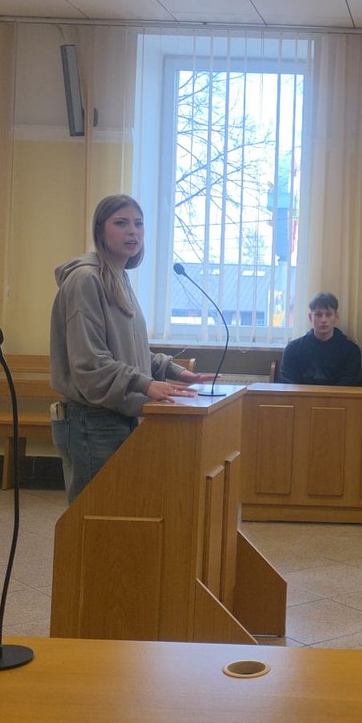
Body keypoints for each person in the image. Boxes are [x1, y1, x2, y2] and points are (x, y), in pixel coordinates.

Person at [50, 195, 213, 503]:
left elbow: (128, 349)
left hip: (119, 414)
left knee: (120, 513)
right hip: (92, 420)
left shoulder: (118, 277)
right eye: (121, 223)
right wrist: (145, 383)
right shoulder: (86, 280)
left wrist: (172, 370)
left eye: (138, 224)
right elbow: (90, 362)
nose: (132, 232)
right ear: (100, 230)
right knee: (94, 515)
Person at [279, 292, 361, 385]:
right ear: (310, 317)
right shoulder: (293, 349)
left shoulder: (351, 351)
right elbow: (289, 383)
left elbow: (346, 384)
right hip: (301, 394)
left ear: (336, 317)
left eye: (328, 314)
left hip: (337, 395)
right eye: (318, 315)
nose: (323, 320)